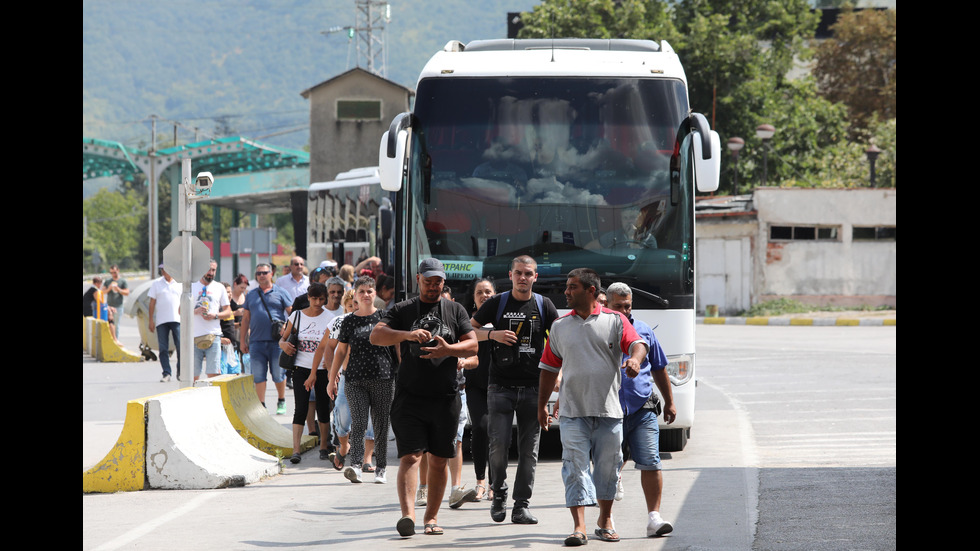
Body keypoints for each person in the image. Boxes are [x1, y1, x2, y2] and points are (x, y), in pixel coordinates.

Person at [537, 268, 648, 546]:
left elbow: (638, 344)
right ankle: (579, 526)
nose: (566, 292)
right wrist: (541, 406)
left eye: (572, 287)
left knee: (607, 469)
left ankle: (605, 520)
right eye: (566, 287)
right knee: (574, 467)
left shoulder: (615, 320)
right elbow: (548, 368)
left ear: (590, 291)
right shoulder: (561, 327)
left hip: (609, 411)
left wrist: (634, 360)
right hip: (573, 412)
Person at [370, 258, 478, 537]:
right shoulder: (403, 309)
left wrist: (449, 350)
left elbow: (473, 344)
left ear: (444, 281)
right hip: (409, 397)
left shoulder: (455, 309)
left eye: (438, 281)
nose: (433, 286)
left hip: (445, 398)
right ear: (418, 279)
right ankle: (408, 516)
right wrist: (407, 335)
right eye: (428, 281)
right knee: (410, 457)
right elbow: (376, 336)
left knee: (440, 460)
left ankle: (431, 518)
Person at [471, 255, 559, 525]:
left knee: (529, 451)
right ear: (510, 275)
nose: (523, 277)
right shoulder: (497, 303)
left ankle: (521, 505)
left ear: (536, 277)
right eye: (518, 273)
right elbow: (470, 331)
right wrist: (492, 335)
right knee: (498, 446)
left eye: (528, 273)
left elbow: (559, 342)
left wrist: (558, 376)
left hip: (534, 388)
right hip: (499, 387)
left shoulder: (544, 305)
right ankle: (499, 494)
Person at [604, 282, 675, 537]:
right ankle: (607, 519)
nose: (624, 311)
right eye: (618, 306)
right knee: (608, 465)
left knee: (651, 461)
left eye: (627, 306)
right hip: (607, 410)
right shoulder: (599, 329)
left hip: (642, 407)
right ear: (606, 305)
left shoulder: (644, 330)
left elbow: (659, 367)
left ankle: (654, 518)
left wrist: (670, 401)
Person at [326, 276, 396, 484]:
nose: (366, 295)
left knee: (381, 424)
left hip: (383, 377)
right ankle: (355, 465)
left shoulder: (385, 317)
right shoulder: (348, 321)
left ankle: (380, 468)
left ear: (375, 294)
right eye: (362, 291)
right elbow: (340, 352)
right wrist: (332, 380)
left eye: (369, 291)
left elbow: (397, 348)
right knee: (358, 422)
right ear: (355, 295)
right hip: (355, 379)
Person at [278, 282, 335, 464]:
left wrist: (331, 361)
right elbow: (283, 338)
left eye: (321, 299)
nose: (317, 303)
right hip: (300, 368)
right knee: (300, 408)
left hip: (322, 369)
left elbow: (333, 344)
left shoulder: (330, 317)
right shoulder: (297, 316)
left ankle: (324, 446)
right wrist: (283, 345)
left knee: (323, 408)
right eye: (314, 298)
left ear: (325, 298)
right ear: (308, 298)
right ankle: (296, 450)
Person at [241, 263, 293, 413]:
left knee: (278, 373)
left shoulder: (281, 292)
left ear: (271, 274)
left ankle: (281, 400)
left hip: (277, 342)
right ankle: (261, 405)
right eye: (258, 273)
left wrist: (287, 330)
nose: (261, 275)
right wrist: (243, 340)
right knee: (258, 374)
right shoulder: (251, 294)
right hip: (256, 341)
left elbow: (293, 314)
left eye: (264, 272)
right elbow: (245, 319)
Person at [465, 277, 496, 502]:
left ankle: (496, 482)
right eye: (479, 292)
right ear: (474, 298)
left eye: (488, 292)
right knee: (481, 427)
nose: (484, 295)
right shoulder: (467, 322)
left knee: (498, 433)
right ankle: (480, 482)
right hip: (475, 385)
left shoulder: (503, 319)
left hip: (500, 385)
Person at [190, 260, 231, 382]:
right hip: (194, 336)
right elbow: (181, 311)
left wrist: (215, 315)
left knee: (213, 374)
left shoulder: (219, 287)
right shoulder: (191, 286)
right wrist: (195, 311)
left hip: (213, 335)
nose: (211, 273)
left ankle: (212, 398)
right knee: (193, 374)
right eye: (208, 269)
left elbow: (228, 311)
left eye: (213, 270)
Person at [147, 265, 181, 382]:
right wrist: (150, 320)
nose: (163, 271)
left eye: (165, 269)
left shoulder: (179, 283)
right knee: (163, 348)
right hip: (161, 320)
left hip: (177, 319)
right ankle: (166, 373)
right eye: (162, 269)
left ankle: (180, 371)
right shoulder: (157, 283)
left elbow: (184, 300)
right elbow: (152, 302)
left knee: (180, 347)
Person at [105, 264, 130, 338]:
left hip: (118, 306)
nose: (113, 274)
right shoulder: (108, 281)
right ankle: (110, 340)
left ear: (118, 271)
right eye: (111, 273)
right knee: (108, 324)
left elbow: (127, 292)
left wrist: (118, 289)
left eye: (114, 272)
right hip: (109, 306)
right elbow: (103, 292)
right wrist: (109, 288)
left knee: (116, 325)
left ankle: (116, 340)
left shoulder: (122, 281)